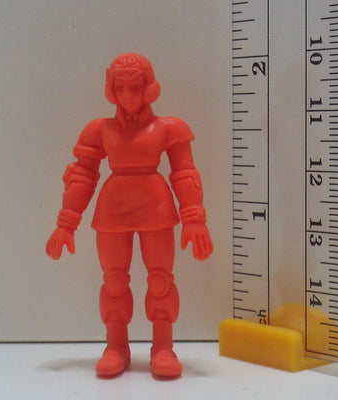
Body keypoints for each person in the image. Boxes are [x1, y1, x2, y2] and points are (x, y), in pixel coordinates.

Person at [46, 53, 213, 378]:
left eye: (135, 87)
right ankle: (116, 346)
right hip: (113, 209)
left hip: (156, 207)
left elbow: (184, 172)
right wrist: (65, 224)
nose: (128, 95)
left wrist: (194, 218)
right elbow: (82, 176)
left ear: (149, 87)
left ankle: (163, 347)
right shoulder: (99, 130)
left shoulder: (169, 128)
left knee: (161, 280)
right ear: (111, 89)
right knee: (113, 280)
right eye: (120, 87)